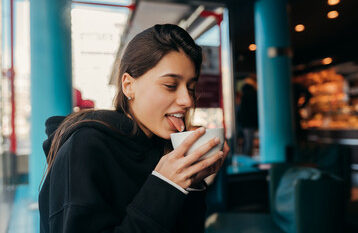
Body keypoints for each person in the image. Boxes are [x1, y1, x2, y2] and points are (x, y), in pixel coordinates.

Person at [39, 24, 229, 233]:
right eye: (170, 85)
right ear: (128, 86)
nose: (187, 100)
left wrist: (192, 182)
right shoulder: (86, 146)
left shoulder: (164, 148)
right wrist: (165, 185)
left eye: (191, 88)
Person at [238, 75, 258, 156]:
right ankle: (246, 156)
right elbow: (253, 110)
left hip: (244, 122)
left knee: (247, 140)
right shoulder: (252, 94)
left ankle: (245, 155)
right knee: (249, 141)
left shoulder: (244, 94)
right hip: (250, 122)